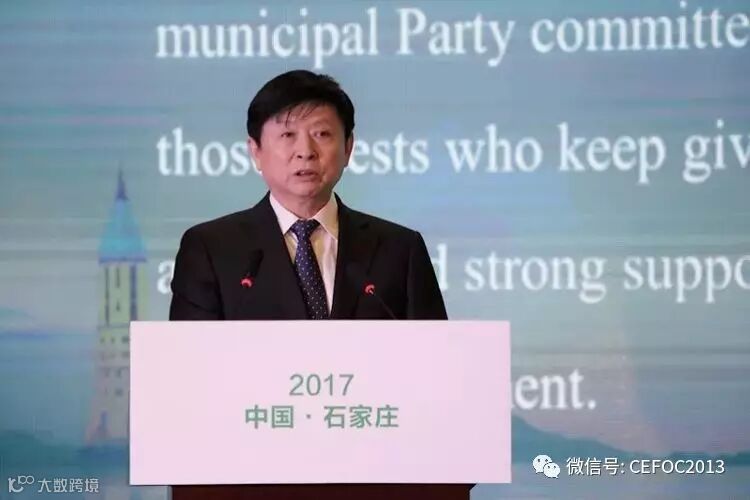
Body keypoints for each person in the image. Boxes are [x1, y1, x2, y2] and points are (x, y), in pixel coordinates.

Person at [169, 70, 470, 499]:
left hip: (376, 483)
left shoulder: (399, 248)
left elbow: (437, 378)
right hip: (253, 483)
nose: (305, 151)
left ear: (348, 148)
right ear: (255, 151)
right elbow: (190, 382)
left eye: (322, 134)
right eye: (287, 135)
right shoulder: (211, 248)